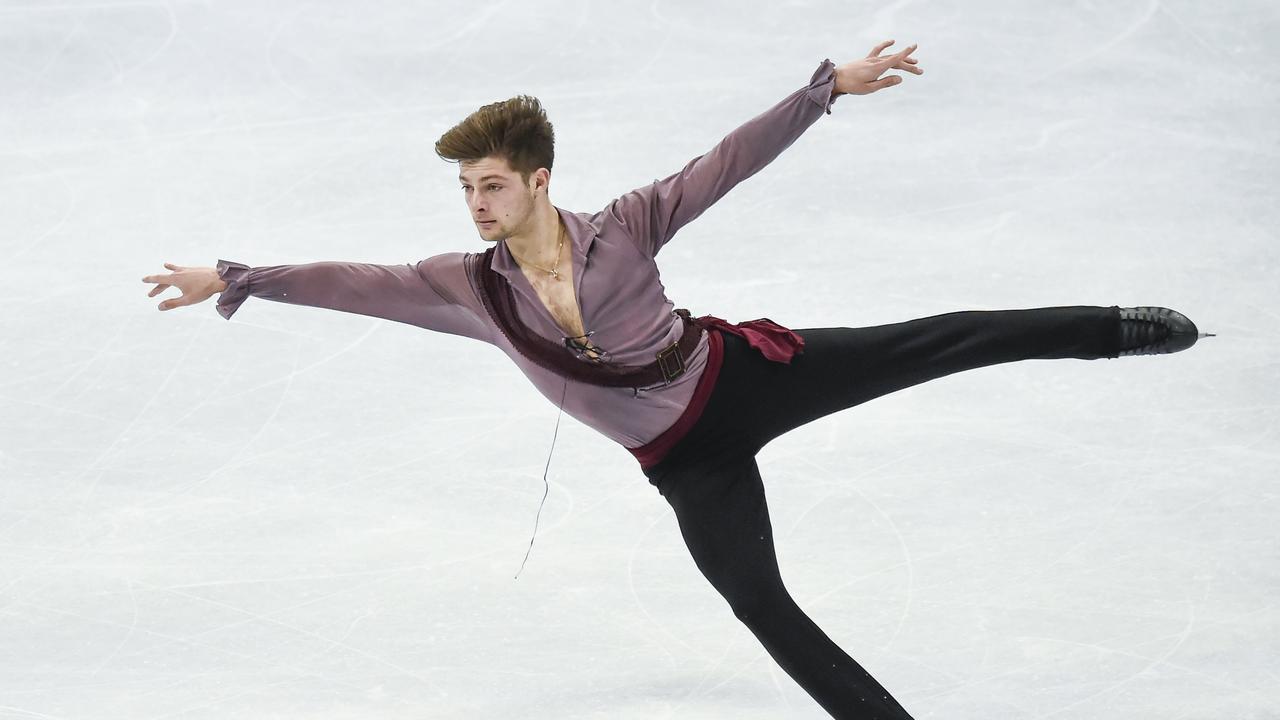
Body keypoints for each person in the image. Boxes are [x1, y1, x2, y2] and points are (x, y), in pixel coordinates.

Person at [141, 40, 1209, 720]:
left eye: (491, 185)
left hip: (743, 376)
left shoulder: (626, 225)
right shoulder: (467, 286)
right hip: (681, 460)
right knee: (761, 606)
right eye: (466, 188)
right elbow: (353, 282)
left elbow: (724, 162)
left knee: (926, 339)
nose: (474, 204)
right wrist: (236, 277)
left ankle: (1113, 328)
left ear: (539, 181)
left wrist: (821, 91)